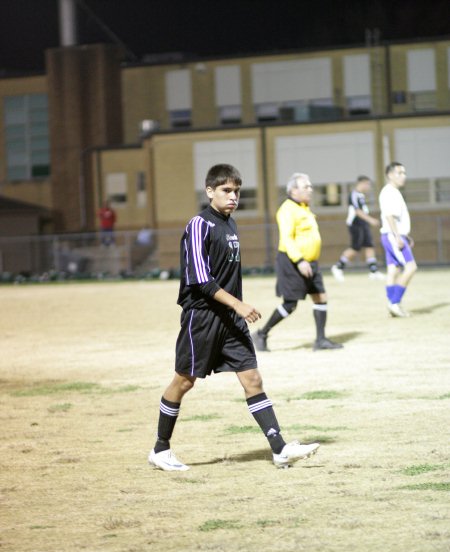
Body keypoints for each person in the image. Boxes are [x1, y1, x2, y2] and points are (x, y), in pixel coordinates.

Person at [149, 164, 319, 471]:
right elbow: (200, 279)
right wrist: (238, 305)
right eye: (227, 191)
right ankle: (160, 449)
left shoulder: (231, 225)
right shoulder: (199, 224)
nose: (233, 197)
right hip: (201, 318)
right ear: (210, 191)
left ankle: (279, 448)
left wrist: (235, 309)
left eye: (237, 191)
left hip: (230, 320)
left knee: (252, 378)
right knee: (184, 381)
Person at [252, 172, 343, 352]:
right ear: (293, 190)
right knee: (290, 304)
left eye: (310, 186)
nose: (310, 189)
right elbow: (287, 239)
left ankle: (321, 340)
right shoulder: (287, 209)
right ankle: (261, 334)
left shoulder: (304, 207)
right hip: (293, 262)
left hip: (310, 262)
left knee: (320, 297)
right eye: (306, 186)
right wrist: (300, 260)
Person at [378, 162, 417, 317]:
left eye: (404, 173)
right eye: (399, 173)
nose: (403, 176)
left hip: (392, 235)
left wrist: (404, 235)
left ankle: (392, 305)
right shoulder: (389, 192)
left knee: (393, 270)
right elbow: (389, 216)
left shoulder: (392, 191)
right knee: (411, 267)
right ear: (390, 175)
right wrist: (397, 236)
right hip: (393, 236)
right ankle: (394, 303)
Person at [331, 175, 384, 281]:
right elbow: (357, 211)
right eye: (368, 184)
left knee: (369, 246)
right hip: (356, 224)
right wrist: (371, 220)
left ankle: (373, 271)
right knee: (355, 248)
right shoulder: (354, 194)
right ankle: (338, 267)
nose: (369, 187)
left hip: (363, 224)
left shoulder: (361, 195)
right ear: (362, 183)